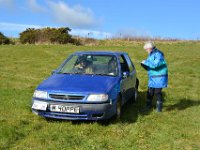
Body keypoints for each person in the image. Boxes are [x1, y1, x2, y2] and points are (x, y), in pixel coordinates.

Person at [141, 41, 168, 112]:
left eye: (146, 49)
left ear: (150, 48)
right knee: (150, 92)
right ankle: (148, 107)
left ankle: (159, 109)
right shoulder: (151, 54)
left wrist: (145, 62)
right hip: (153, 77)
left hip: (159, 76)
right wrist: (144, 65)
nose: (146, 51)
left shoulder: (158, 54)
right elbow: (150, 66)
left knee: (157, 92)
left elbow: (156, 65)